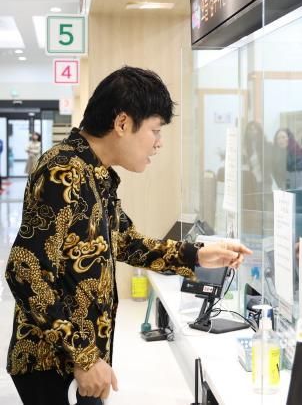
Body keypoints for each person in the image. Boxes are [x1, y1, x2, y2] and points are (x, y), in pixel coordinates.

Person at [4, 66, 253, 405]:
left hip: (77, 356)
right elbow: (24, 269)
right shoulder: (64, 171)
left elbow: (126, 242)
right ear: (122, 123)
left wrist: (197, 255)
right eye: (155, 130)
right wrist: (84, 357)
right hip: (53, 361)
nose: (159, 142)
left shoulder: (96, 174)